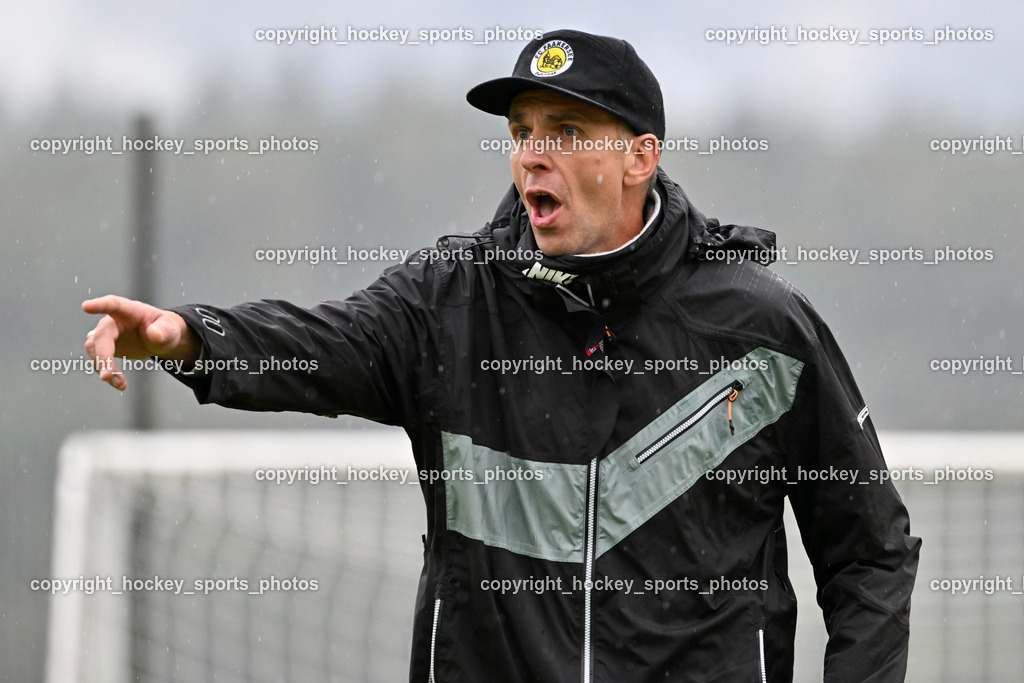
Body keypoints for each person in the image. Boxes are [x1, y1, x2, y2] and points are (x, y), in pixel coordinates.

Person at [83, 29, 920, 683]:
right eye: (521, 132)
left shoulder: (761, 328)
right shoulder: (450, 303)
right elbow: (320, 340)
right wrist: (190, 335)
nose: (532, 154)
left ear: (640, 156)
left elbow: (871, 552)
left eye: (566, 130)